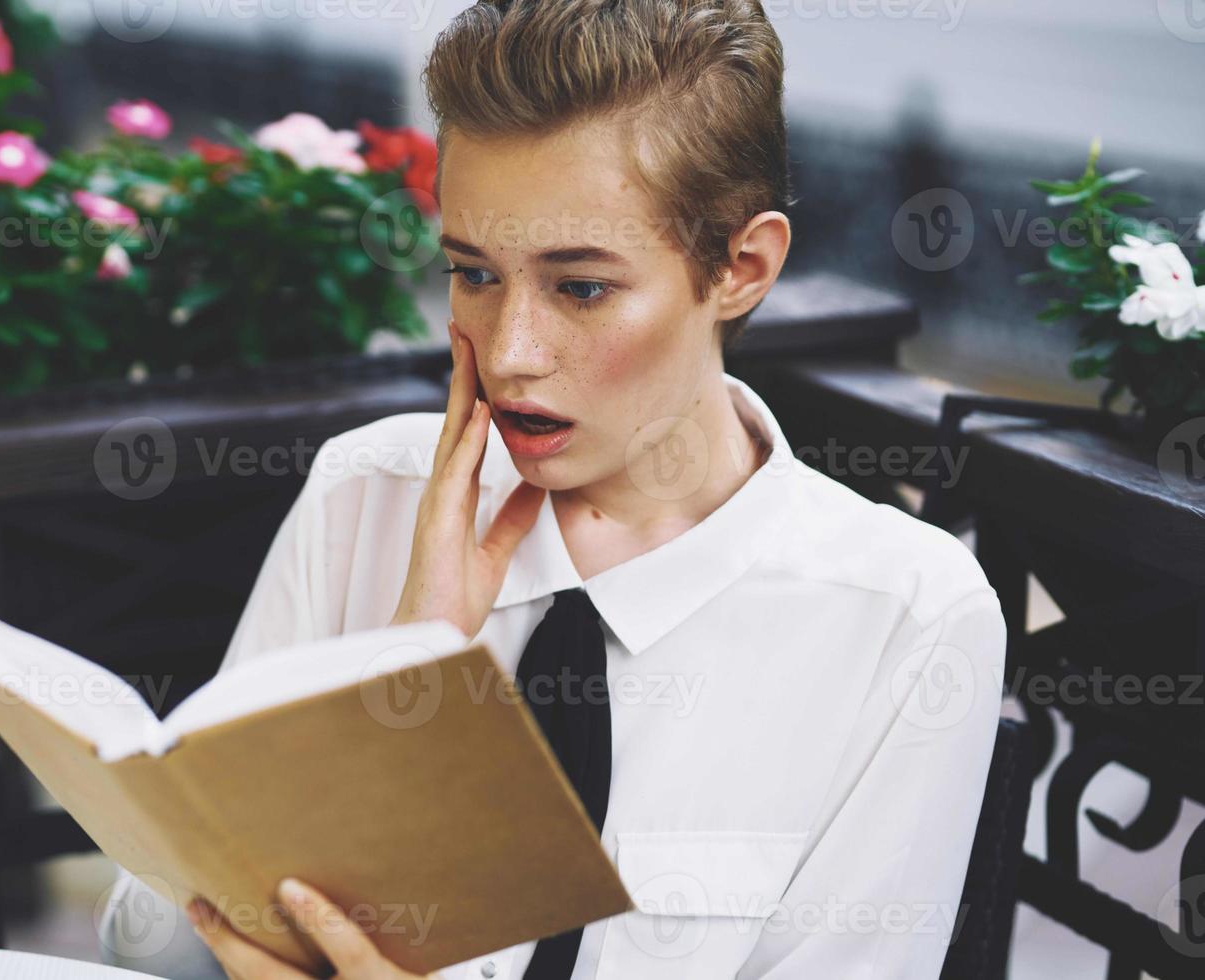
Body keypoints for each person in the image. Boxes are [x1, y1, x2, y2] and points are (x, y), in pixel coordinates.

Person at [102, 0, 1005, 976]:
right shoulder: (363, 493)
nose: (508, 352)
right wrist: (398, 682)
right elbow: (148, 942)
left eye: (580, 287)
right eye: (473, 273)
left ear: (741, 268)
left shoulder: (907, 618)